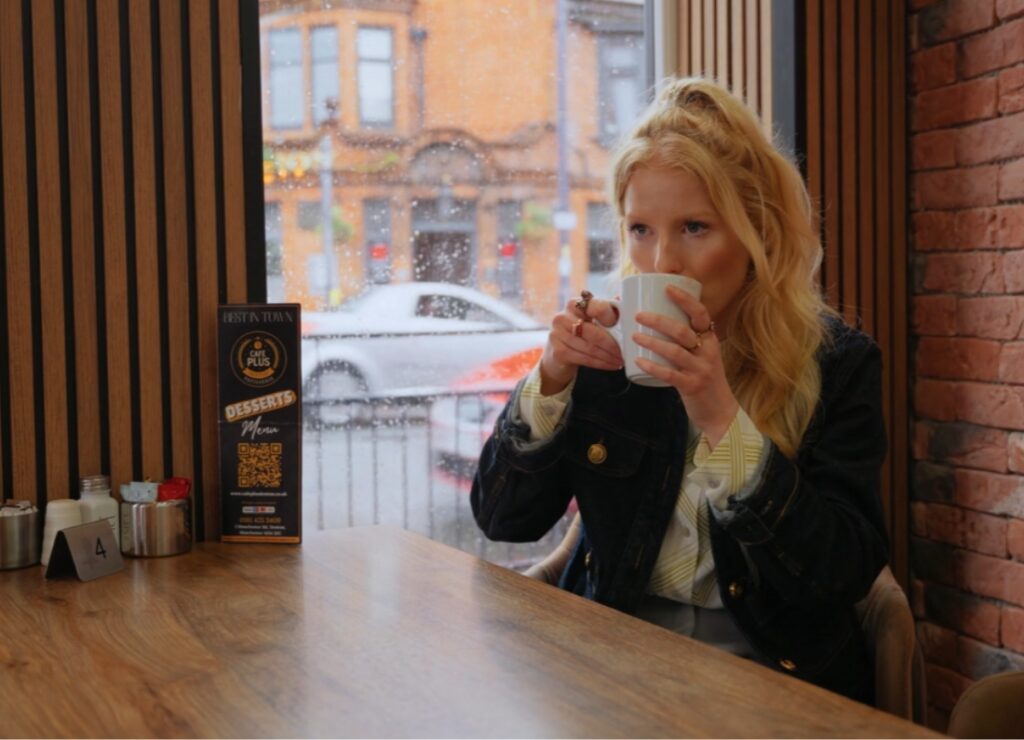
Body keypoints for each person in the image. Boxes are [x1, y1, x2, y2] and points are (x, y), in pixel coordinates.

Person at [470, 77, 889, 703]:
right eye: (640, 229)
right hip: (612, 660)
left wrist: (721, 416)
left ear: (757, 235)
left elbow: (842, 573)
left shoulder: (837, 364)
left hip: (774, 672)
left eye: (694, 227)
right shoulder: (609, 356)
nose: (662, 261)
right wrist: (550, 383)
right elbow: (504, 518)